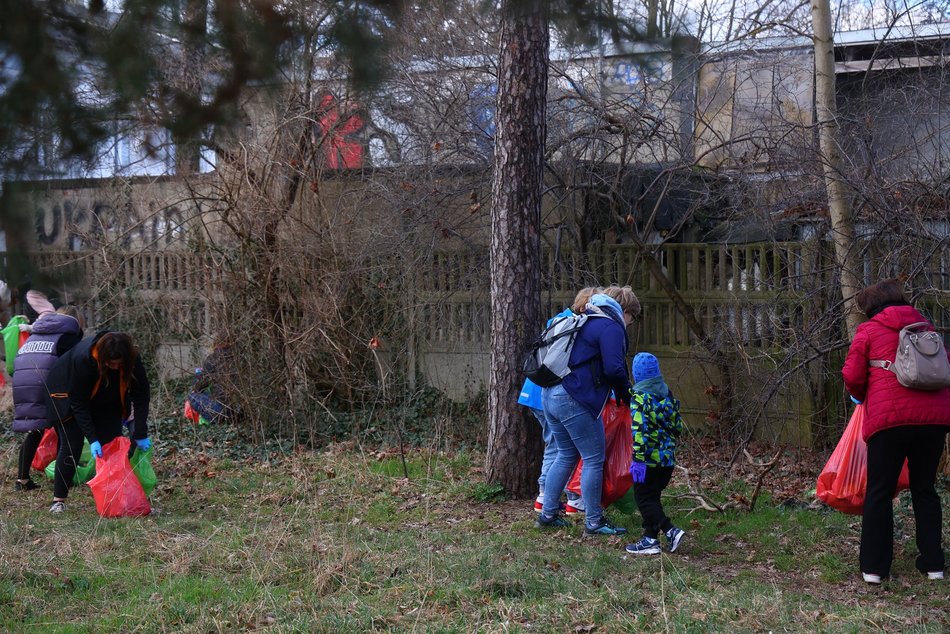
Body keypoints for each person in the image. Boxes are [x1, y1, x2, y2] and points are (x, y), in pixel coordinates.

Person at [841, 279, 950, 584]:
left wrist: (859, 395)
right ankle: (934, 566)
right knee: (925, 490)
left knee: (879, 492)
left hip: (890, 423)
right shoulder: (927, 328)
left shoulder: (869, 330)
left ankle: (875, 570)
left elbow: (852, 374)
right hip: (933, 422)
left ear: (871, 308)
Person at [536, 290, 640, 536]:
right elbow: (614, 369)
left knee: (566, 454)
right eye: (631, 319)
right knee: (594, 457)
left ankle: (548, 513)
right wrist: (627, 396)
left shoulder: (584, 318)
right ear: (625, 313)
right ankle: (594, 521)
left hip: (550, 393)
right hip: (574, 398)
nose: (629, 324)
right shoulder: (611, 327)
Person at [45, 331, 152, 513]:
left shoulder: (132, 358)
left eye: (119, 363)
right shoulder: (83, 359)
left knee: (112, 444)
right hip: (64, 394)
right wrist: (92, 438)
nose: (115, 367)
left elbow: (141, 394)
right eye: (111, 363)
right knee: (73, 443)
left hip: (105, 396)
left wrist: (140, 431)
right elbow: (78, 403)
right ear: (102, 359)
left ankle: (116, 497)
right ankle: (58, 500)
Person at [521, 287, 601, 514]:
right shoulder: (576, 325)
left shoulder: (558, 319)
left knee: (556, 446)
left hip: (536, 392)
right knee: (562, 447)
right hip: (550, 394)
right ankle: (559, 496)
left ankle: (548, 496)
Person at [11, 294, 85, 492]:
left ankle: (22, 480)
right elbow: (75, 365)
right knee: (66, 427)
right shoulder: (68, 336)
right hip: (47, 383)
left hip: (23, 382)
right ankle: (64, 479)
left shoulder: (37, 332)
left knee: (35, 429)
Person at [623, 352, 686, 555]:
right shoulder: (667, 394)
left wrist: (638, 461)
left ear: (636, 375)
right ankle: (650, 540)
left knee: (643, 499)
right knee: (653, 497)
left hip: (648, 461)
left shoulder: (639, 399)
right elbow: (678, 427)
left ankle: (670, 530)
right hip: (667, 461)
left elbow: (639, 433)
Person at [187, 337, 238, 423]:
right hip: (241, 410)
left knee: (192, 396)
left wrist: (199, 375)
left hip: (223, 410)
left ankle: (215, 420)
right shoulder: (241, 356)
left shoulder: (214, 358)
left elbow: (198, 386)